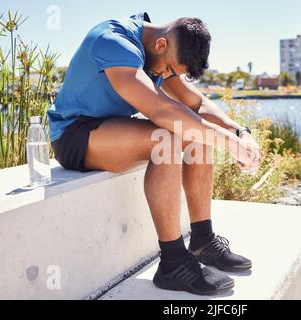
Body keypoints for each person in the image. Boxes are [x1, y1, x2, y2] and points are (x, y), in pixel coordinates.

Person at [48, 12, 262, 296]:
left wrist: (240, 133)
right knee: (166, 138)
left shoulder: (160, 55)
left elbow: (195, 103)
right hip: (74, 134)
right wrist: (228, 143)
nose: (167, 76)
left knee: (194, 133)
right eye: (169, 70)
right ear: (161, 44)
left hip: (112, 130)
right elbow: (161, 110)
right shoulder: (112, 41)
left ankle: (202, 240)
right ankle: (173, 263)